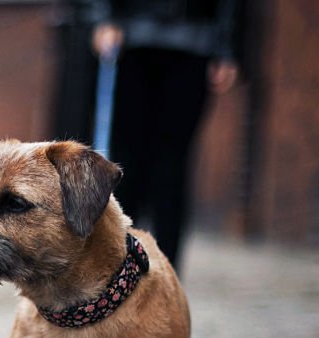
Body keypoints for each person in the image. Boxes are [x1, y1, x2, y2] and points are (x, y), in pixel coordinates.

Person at [91, 0, 242, 270]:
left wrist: (228, 46)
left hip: (195, 41)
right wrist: (104, 17)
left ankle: (167, 274)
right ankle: (118, 266)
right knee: (127, 164)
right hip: (132, 39)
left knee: (171, 167)